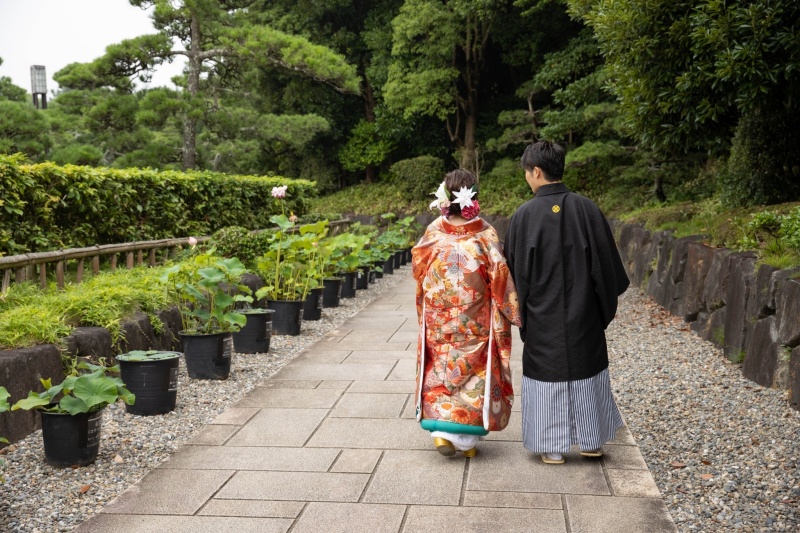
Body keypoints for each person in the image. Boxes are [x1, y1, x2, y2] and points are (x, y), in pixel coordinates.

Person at [504, 140, 630, 465]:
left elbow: (514, 275)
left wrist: (521, 313)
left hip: (541, 316)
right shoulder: (587, 209)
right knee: (586, 368)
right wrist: (600, 310)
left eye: (527, 172)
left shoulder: (523, 216)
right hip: (584, 312)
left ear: (536, 171)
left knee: (546, 373)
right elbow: (608, 269)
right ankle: (591, 441)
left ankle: (551, 447)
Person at [412, 169, 521, 458]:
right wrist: (512, 311)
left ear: (445, 200)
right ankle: (465, 440)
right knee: (475, 372)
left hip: (439, 318)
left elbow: (419, 269)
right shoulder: (485, 235)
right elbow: (500, 278)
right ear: (474, 198)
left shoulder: (434, 232)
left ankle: (441, 431)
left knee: (440, 368)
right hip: (476, 319)